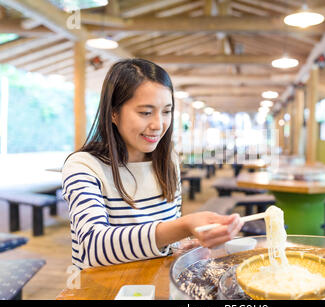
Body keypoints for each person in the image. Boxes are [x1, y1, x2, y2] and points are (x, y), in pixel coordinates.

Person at [62, 58, 243, 270]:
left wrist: (183, 244)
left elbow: (166, 238)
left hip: (152, 284)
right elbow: (94, 248)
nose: (158, 124)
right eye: (145, 112)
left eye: (166, 111)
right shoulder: (83, 166)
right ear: (113, 113)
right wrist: (184, 226)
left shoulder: (168, 160)